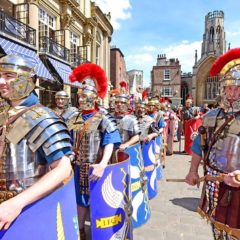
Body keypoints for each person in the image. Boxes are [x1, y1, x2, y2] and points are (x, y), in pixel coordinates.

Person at [0, 55, 73, 230]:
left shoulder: (43, 117)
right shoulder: (4, 113)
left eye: (9, 76)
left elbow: (63, 169)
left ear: (28, 80)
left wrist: (16, 203)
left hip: (26, 210)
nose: (1, 81)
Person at [185, 48, 240, 240]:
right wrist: (193, 171)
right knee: (217, 229)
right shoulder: (210, 117)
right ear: (223, 89)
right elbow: (198, 146)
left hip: (238, 183)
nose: (233, 93)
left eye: (238, 88)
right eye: (230, 88)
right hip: (215, 182)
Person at [68, 63, 121, 240]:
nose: (81, 100)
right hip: (76, 167)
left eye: (85, 96)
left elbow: (110, 142)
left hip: (95, 167)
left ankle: (102, 233)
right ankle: (81, 231)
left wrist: (103, 164)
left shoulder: (103, 117)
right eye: (79, 96)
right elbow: (68, 139)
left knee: (98, 201)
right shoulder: (73, 117)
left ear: (94, 97)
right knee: (79, 200)